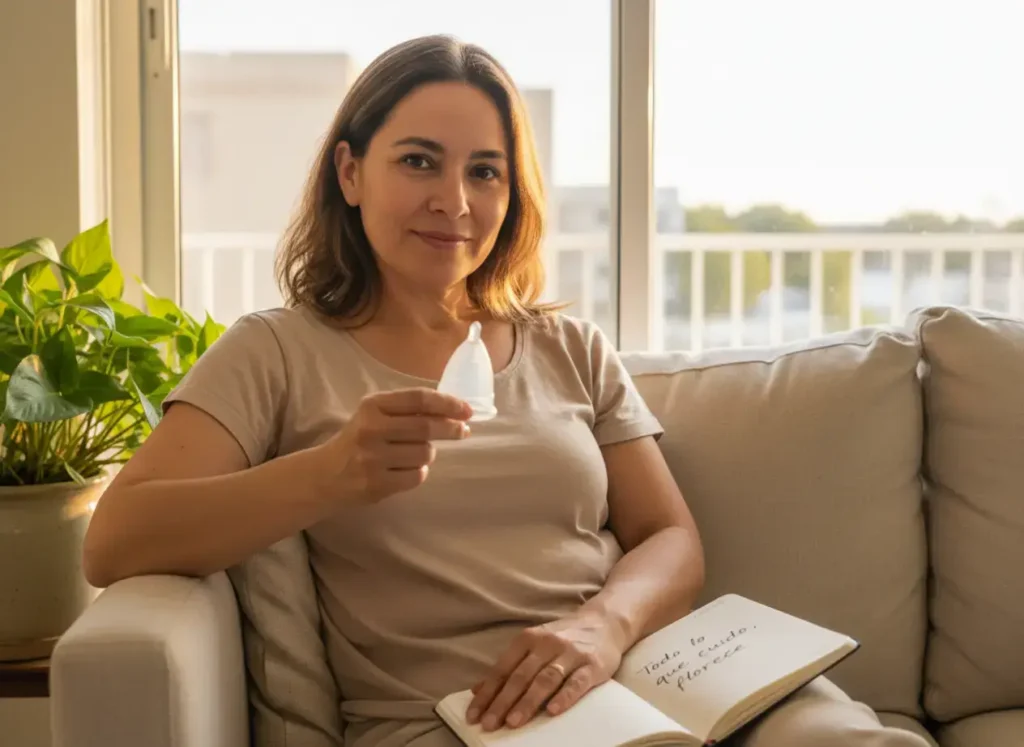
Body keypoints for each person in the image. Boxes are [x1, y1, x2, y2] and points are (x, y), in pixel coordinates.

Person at [83, 34, 930, 747]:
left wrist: (602, 626)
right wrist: (329, 473)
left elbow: (670, 535)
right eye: (419, 161)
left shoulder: (569, 347)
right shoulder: (275, 349)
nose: (453, 201)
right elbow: (114, 540)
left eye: (485, 172)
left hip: (636, 679)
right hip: (461, 720)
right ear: (350, 171)